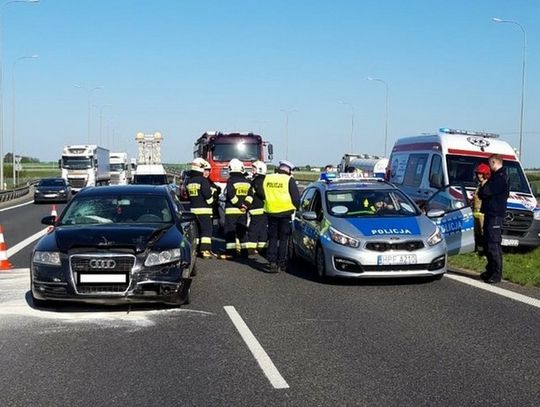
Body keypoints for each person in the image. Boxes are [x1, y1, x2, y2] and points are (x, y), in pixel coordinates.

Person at [263, 160, 301, 273]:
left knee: (273, 238)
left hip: (270, 212)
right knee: (284, 239)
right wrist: (297, 208)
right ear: (288, 170)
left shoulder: (268, 178)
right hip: (285, 213)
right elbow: (295, 198)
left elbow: (263, 193)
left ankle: (272, 262)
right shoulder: (289, 180)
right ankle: (281, 262)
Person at [478, 154, 510, 284]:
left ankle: (496, 274)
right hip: (491, 213)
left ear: (493, 162)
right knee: (487, 243)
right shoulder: (496, 176)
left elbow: (486, 192)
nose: (488, 167)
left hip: (496, 214)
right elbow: (481, 194)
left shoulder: (501, 177)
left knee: (493, 244)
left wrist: (483, 186)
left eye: (489, 163)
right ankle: (490, 270)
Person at [221, 158, 253, 259]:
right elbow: (250, 195)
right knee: (242, 231)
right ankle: (245, 252)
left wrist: (239, 204)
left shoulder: (231, 180)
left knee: (230, 231)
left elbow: (230, 195)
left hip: (232, 210)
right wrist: (245, 205)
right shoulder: (247, 181)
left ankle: (231, 251)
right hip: (243, 211)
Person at [185, 158, 216, 259]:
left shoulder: (189, 181)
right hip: (204, 210)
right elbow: (207, 195)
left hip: (193, 210)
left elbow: (189, 197)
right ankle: (205, 250)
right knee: (206, 230)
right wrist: (213, 199)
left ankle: (197, 250)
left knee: (197, 231)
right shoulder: (203, 180)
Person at [246, 160, 268, 256]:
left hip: (256, 209)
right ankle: (262, 247)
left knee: (253, 229)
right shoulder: (266, 180)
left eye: (254, 168)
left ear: (259, 169)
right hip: (265, 208)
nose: (252, 170)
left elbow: (261, 193)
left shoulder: (257, 181)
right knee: (263, 229)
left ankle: (251, 248)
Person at [472, 163, 491, 254]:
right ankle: (478, 249)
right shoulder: (479, 185)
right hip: (476, 213)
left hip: (482, 214)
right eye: (478, 174)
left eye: (481, 174)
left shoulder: (486, 186)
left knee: (483, 234)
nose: (479, 176)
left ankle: (484, 251)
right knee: (477, 234)